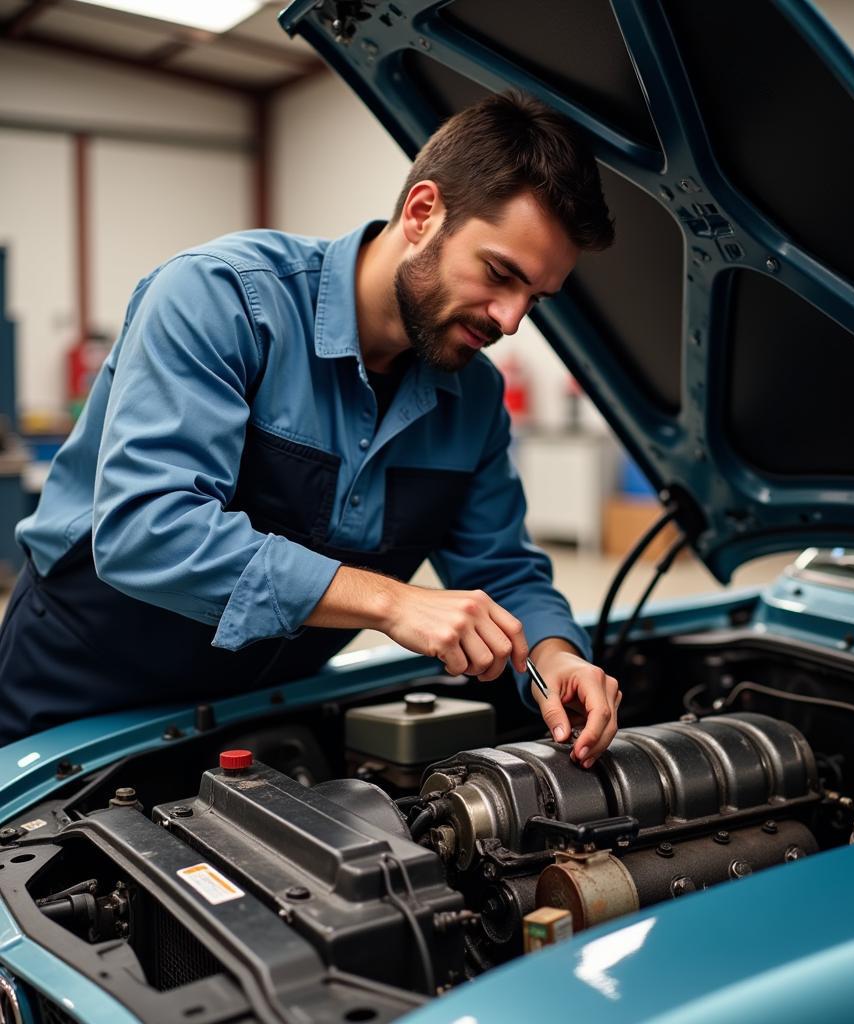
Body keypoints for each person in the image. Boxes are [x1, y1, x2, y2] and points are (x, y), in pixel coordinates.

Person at [0, 90, 621, 759]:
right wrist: (392, 603)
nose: (510, 320)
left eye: (535, 298)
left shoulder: (473, 400)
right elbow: (147, 527)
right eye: (500, 274)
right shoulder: (222, 299)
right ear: (422, 213)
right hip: (73, 703)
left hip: (255, 718)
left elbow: (503, 568)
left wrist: (554, 656)